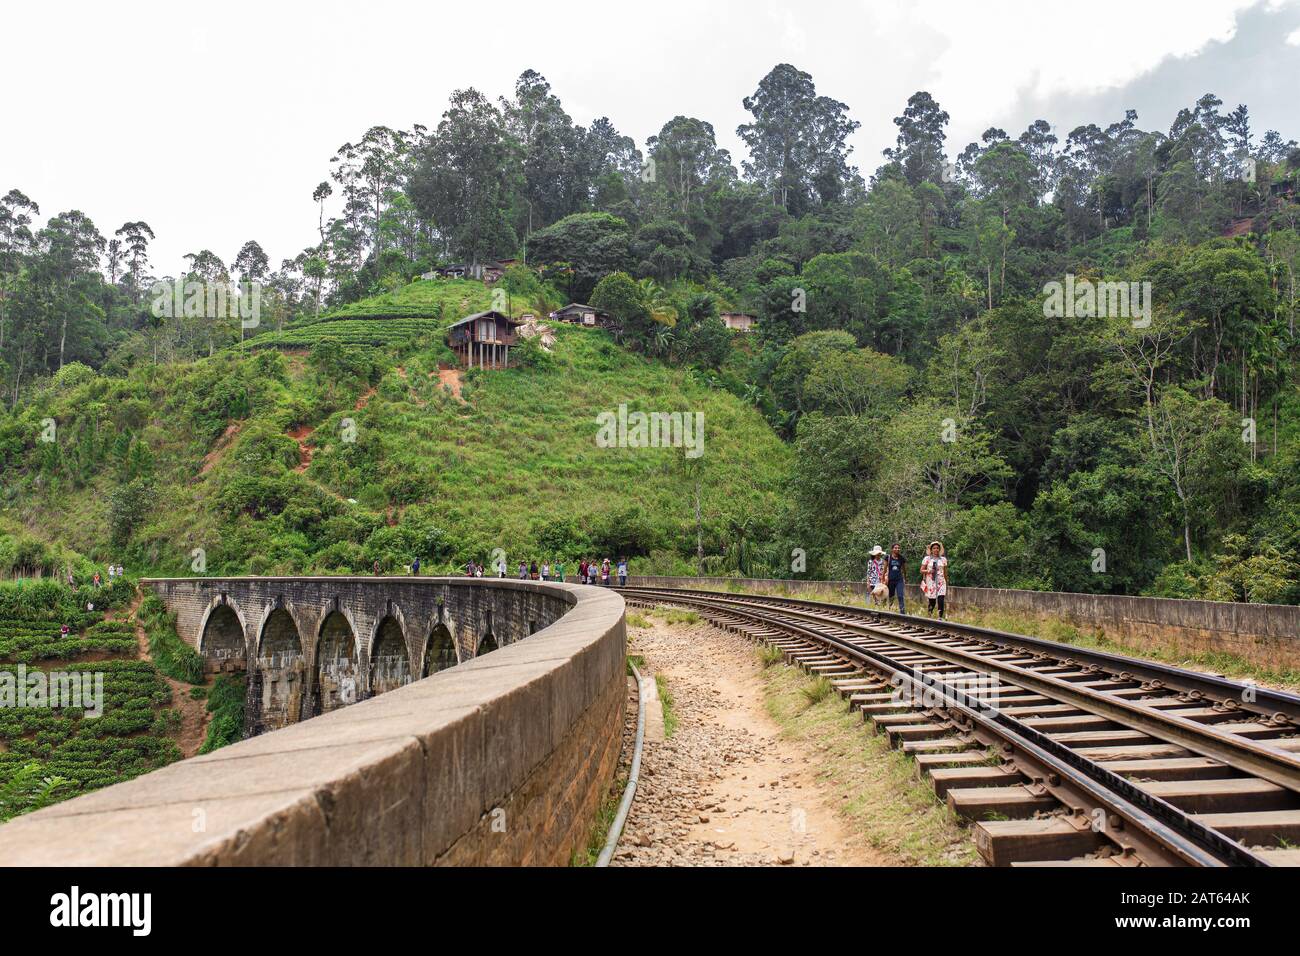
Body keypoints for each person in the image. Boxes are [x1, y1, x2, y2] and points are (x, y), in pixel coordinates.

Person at [921, 541, 948, 619]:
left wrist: (946, 582)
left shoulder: (943, 559)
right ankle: (930, 615)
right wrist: (929, 571)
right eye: (934, 548)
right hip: (931, 582)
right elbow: (921, 570)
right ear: (931, 550)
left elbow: (945, 572)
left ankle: (940, 617)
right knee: (932, 600)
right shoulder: (927, 559)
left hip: (941, 582)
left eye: (937, 548)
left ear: (939, 549)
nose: (936, 550)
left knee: (941, 599)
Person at [886, 544, 907, 614]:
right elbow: (884, 569)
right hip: (890, 580)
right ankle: (890, 610)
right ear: (892, 549)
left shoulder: (901, 558)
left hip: (899, 580)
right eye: (895, 548)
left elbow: (904, 569)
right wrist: (883, 578)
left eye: (898, 548)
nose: (897, 549)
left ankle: (902, 612)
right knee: (891, 596)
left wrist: (905, 578)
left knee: (900, 595)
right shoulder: (888, 557)